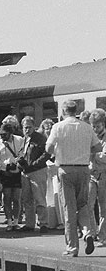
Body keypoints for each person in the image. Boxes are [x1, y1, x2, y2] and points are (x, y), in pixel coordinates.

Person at [45, 99, 102, 257]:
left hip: (66, 169)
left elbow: (48, 147)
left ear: (63, 112)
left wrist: (58, 151)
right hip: (84, 170)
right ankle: (88, 232)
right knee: (83, 205)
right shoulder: (86, 127)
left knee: (69, 209)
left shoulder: (58, 127)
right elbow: (97, 147)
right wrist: (84, 151)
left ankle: (72, 247)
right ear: (76, 111)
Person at [17, 116, 51, 232]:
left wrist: (34, 164)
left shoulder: (40, 138)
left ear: (34, 127)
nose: (27, 130)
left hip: (38, 171)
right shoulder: (24, 139)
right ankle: (29, 224)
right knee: (27, 199)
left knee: (39, 198)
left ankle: (43, 224)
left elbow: (47, 154)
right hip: (26, 172)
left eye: (29, 127)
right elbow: (23, 153)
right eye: (25, 128)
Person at [0, 122, 24, 230]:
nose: (2, 137)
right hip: (5, 172)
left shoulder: (19, 140)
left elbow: (23, 154)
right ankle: (9, 222)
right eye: (1, 135)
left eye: (4, 134)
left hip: (17, 172)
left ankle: (16, 221)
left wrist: (19, 165)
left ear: (11, 133)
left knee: (16, 198)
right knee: (6, 198)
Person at [88, 109, 106, 246]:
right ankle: (91, 233)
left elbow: (104, 157)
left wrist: (94, 155)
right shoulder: (90, 137)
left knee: (103, 207)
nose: (95, 129)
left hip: (103, 174)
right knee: (87, 204)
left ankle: (102, 236)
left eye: (98, 126)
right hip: (91, 175)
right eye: (93, 126)